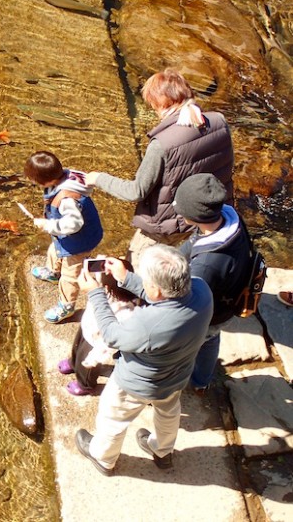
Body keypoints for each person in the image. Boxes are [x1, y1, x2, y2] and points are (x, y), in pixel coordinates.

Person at [74, 245, 213, 475]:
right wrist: (126, 278)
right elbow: (163, 296)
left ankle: (103, 457)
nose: (144, 283)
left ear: (156, 290)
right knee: (168, 414)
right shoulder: (202, 290)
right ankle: (162, 451)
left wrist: (95, 293)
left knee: (113, 418)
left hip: (136, 384)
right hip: (177, 375)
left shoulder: (147, 325)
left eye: (145, 280)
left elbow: (112, 335)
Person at [85, 68, 234, 269]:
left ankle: (142, 297)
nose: (154, 110)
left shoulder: (161, 143)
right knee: (180, 265)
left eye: (153, 105)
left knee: (138, 266)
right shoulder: (218, 121)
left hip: (165, 224)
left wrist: (98, 178)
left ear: (163, 103)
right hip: (205, 215)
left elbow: (136, 191)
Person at [173, 173, 255, 394]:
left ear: (194, 216)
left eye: (179, 207)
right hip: (226, 302)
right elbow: (196, 242)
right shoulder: (228, 217)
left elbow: (190, 300)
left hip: (212, 313)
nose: (176, 208)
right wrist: (175, 257)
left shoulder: (206, 266)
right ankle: (203, 380)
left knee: (197, 341)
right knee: (211, 339)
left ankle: (195, 380)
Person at [25, 151, 104, 323]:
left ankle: (66, 306)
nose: (32, 183)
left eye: (34, 181)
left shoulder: (67, 199)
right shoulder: (64, 176)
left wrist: (48, 225)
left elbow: (74, 224)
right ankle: (53, 273)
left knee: (70, 274)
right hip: (67, 237)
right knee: (54, 250)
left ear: (49, 181)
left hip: (80, 241)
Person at [58, 259, 140, 396]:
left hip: (97, 342)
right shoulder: (108, 288)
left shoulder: (127, 313)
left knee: (87, 367)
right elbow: (99, 271)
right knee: (77, 347)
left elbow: (110, 342)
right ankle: (73, 362)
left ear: (107, 287)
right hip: (88, 327)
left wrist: (94, 359)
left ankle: (85, 385)